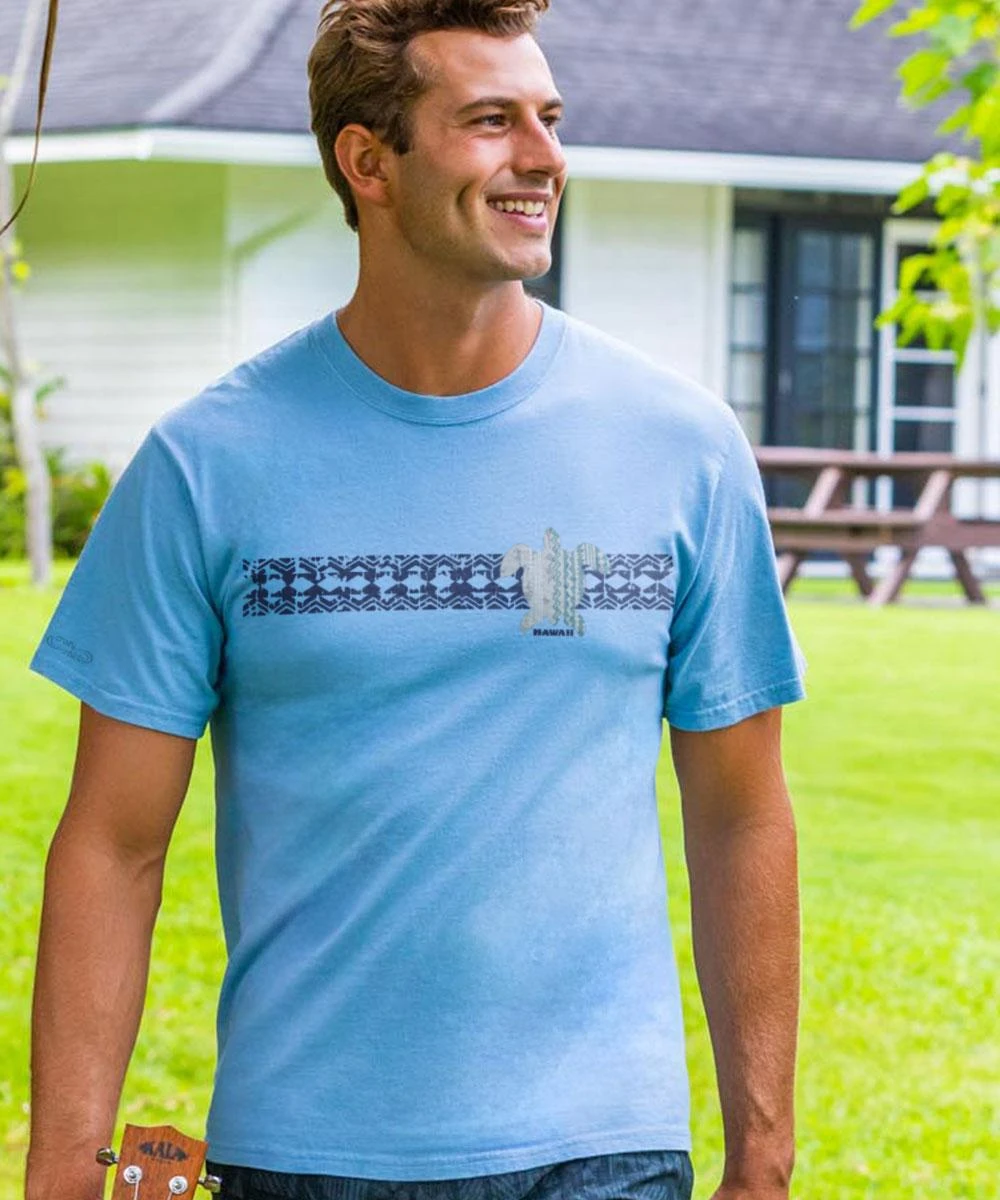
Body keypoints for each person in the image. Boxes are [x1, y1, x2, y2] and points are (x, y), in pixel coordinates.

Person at [25, 2, 806, 1198]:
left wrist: (763, 1154)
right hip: (302, 1156)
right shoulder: (205, 465)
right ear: (368, 161)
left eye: (548, 118)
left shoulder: (680, 449)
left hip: (601, 1153)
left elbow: (742, 814)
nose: (542, 157)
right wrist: (64, 1165)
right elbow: (113, 846)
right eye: (490, 121)